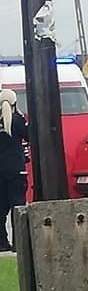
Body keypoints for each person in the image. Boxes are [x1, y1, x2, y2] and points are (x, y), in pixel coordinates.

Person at [0, 88, 29, 252]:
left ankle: (2, 242)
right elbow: (29, 136)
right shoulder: (17, 120)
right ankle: (19, 243)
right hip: (16, 170)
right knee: (17, 207)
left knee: (0, 208)